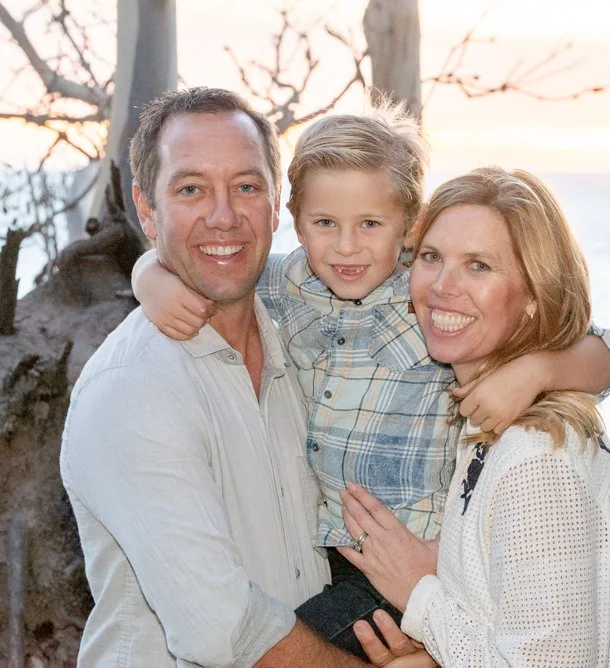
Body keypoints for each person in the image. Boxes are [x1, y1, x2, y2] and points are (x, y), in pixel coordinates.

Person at [132, 103, 610, 659]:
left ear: (408, 227)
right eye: (326, 224)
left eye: (370, 224)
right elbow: (220, 269)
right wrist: (148, 276)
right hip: (342, 556)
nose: (347, 247)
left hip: (419, 555)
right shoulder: (295, 283)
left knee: (279, 646)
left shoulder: (422, 300)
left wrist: (538, 370)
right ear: (295, 220)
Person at [60, 88, 429, 667]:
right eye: (191, 189)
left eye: (246, 186)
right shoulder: (132, 390)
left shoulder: (305, 333)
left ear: (277, 202)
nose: (224, 215)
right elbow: (226, 635)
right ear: (145, 209)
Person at [336, 167, 610, 666]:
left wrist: (419, 591)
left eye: (479, 266)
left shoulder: (536, 455)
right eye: (431, 258)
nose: (442, 286)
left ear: (533, 297)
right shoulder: (487, 418)